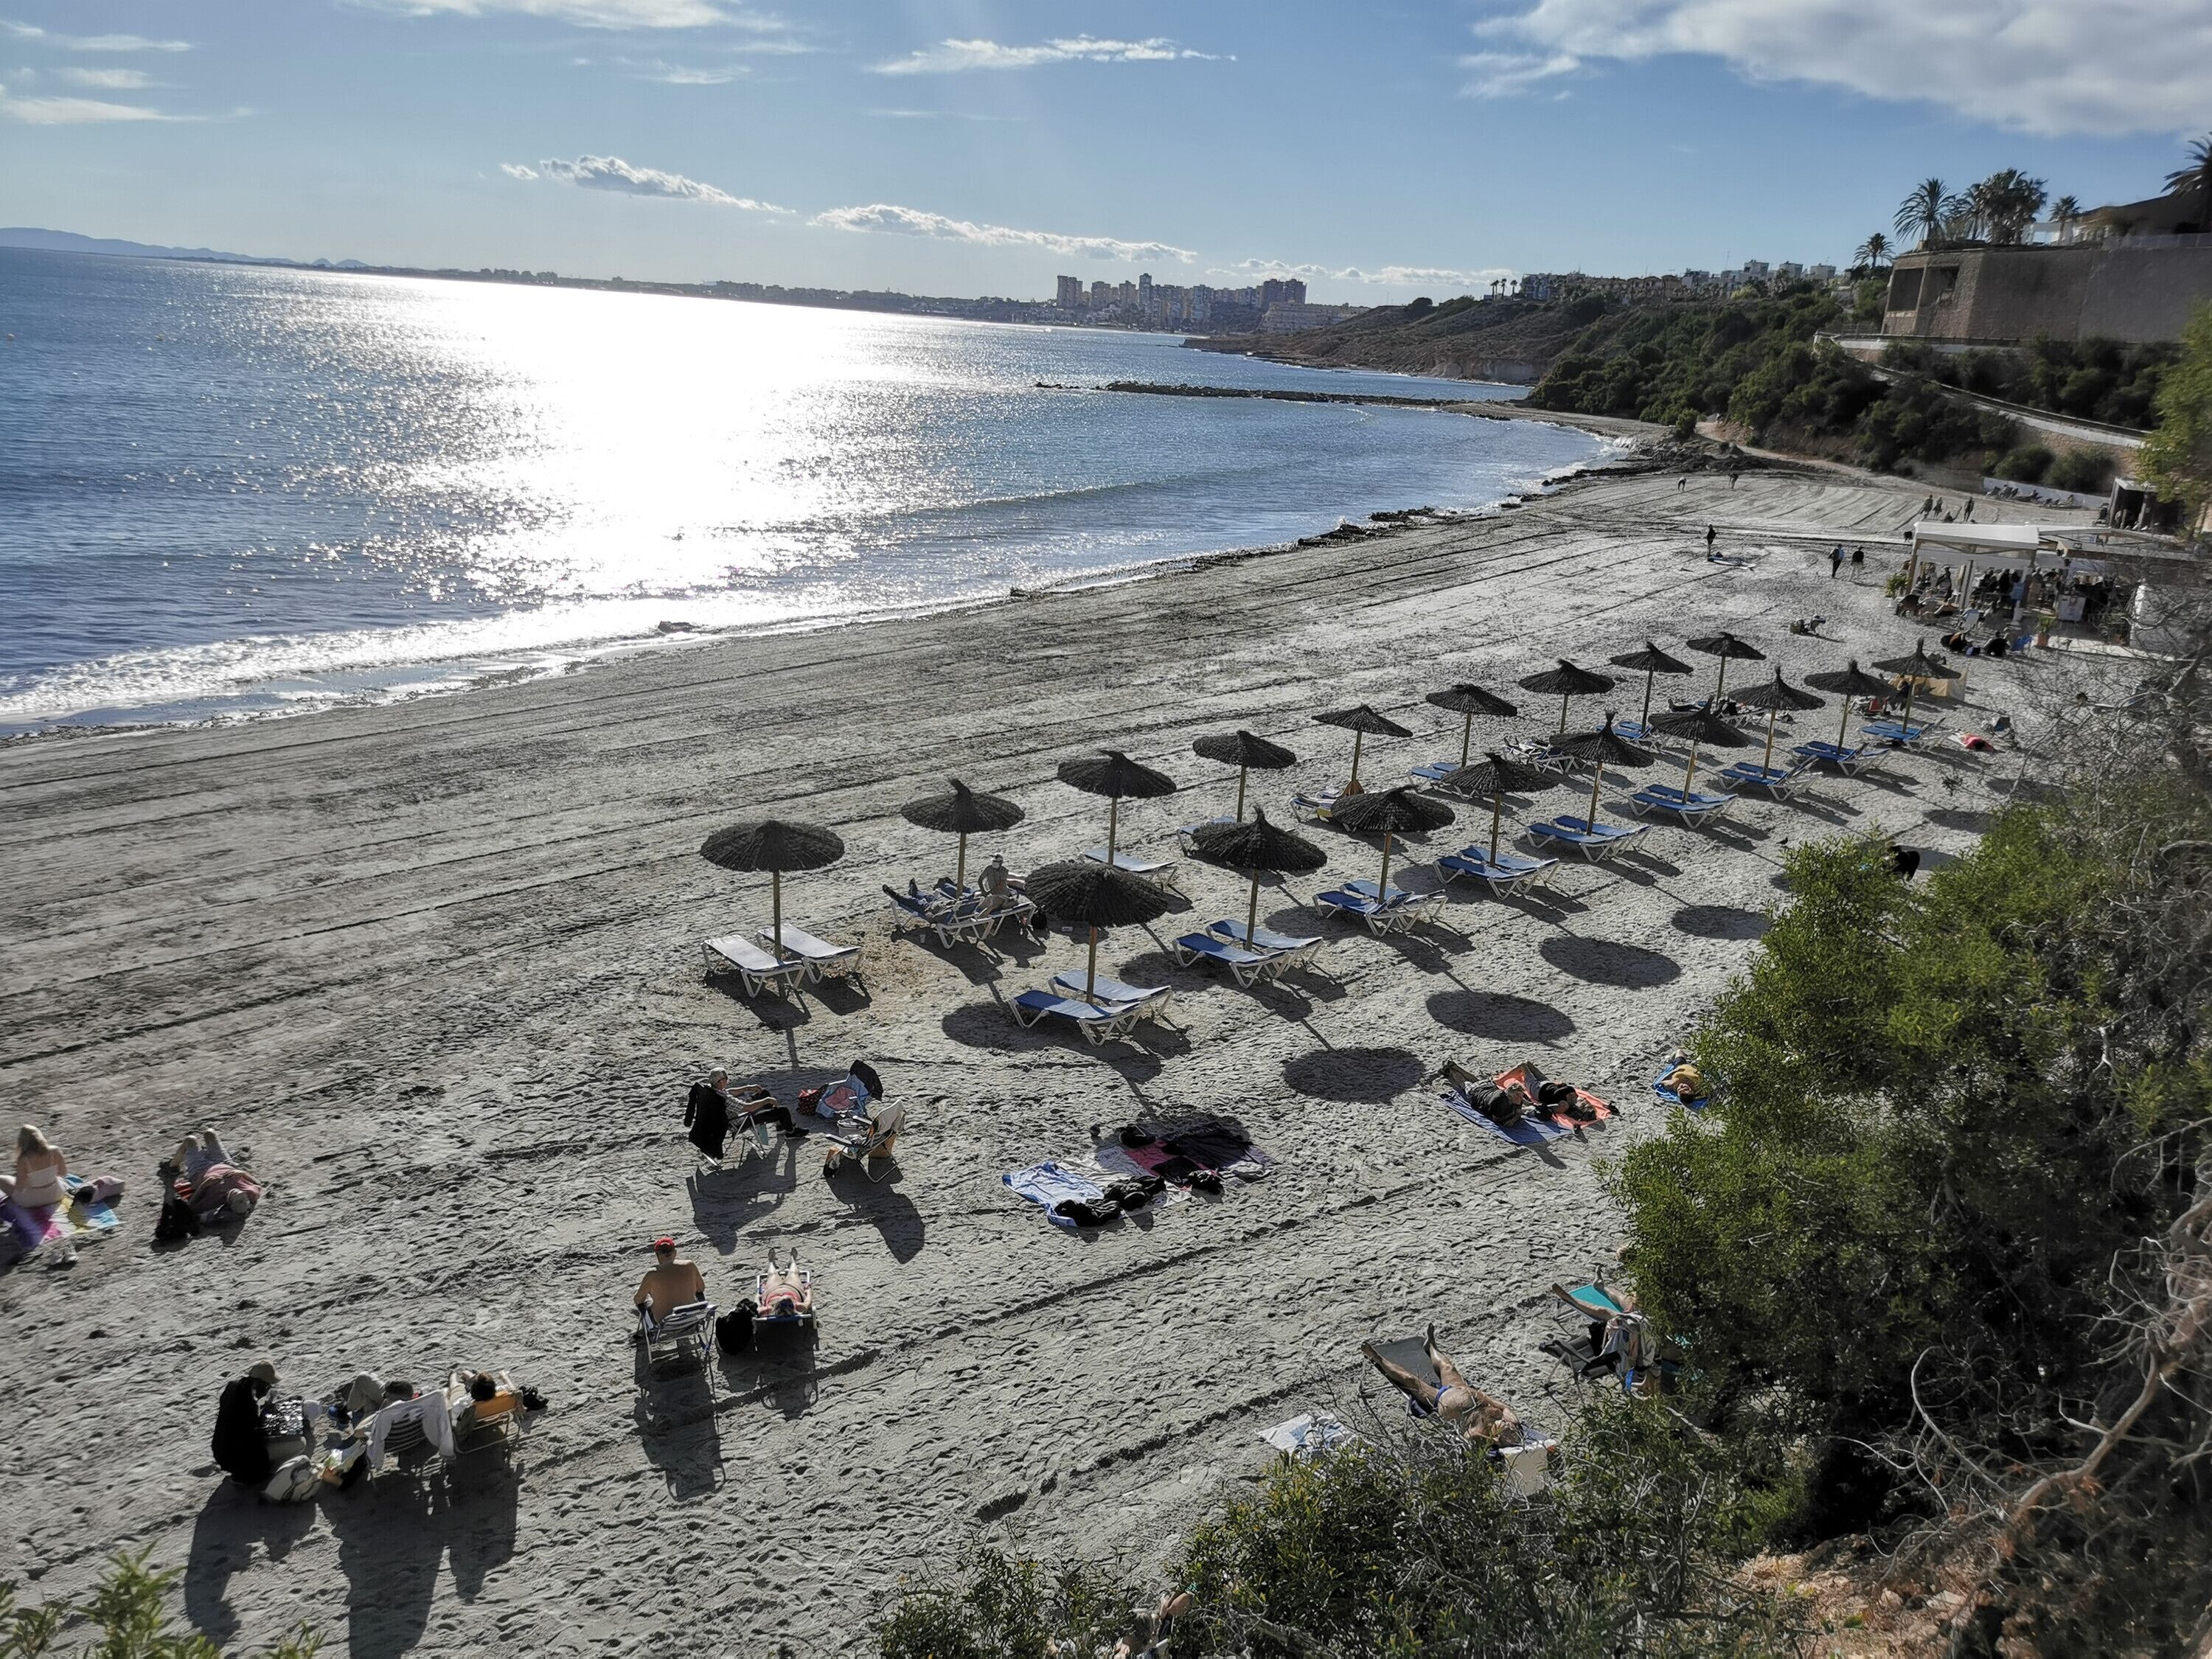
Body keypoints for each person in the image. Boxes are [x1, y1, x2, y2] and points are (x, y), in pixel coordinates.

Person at [1361, 1327, 1523, 1449]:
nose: (1508, 1427)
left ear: (1498, 1439)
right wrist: (1509, 1414)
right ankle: (1431, 1346)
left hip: (1440, 1399)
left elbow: (1468, 1437)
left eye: (1508, 1432)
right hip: (1461, 1388)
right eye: (1511, 1429)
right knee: (1447, 1367)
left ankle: (1376, 1357)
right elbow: (1502, 1406)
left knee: (1410, 1380)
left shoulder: (1482, 1432)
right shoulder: (1502, 1417)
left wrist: (1490, 1441)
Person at [211, 1361, 279, 1486]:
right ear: (261, 1384)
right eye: (268, 1386)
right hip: (234, 1458)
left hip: (219, 1451)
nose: (268, 1389)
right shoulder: (247, 1402)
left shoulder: (232, 1387)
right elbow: (253, 1433)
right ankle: (246, 1476)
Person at [633, 1237, 707, 1332]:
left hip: (666, 1325)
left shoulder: (652, 1274)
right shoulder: (690, 1265)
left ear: (657, 1255)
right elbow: (701, 1289)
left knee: (643, 1297)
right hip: (691, 1318)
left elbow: (637, 1300)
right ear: (675, 1252)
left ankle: (646, 1328)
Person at [3, 1124, 68, 1210]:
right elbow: (63, 1172)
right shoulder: (55, 1151)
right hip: (56, 1195)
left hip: (31, 1201)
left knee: (3, 1179)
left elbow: (20, 1186)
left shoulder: (24, 1159)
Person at [757, 1248, 813, 1318]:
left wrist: (759, 1297)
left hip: (773, 1289)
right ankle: (792, 1261)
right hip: (792, 1288)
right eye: (790, 1304)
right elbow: (808, 1303)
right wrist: (808, 1293)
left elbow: (757, 1309)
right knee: (794, 1273)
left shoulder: (770, 1309)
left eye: (783, 1303)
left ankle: (771, 1262)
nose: (785, 1298)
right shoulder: (797, 1306)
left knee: (772, 1274)